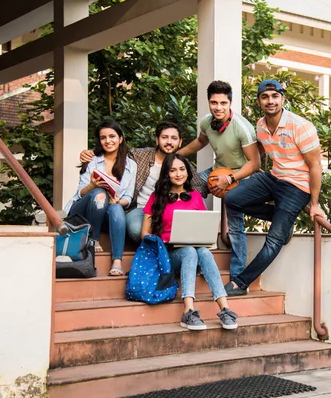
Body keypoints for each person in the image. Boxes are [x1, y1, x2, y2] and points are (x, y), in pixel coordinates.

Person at [223, 80, 325, 296]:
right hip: (274, 177)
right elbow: (260, 148)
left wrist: (314, 205)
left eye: (274, 96)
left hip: (297, 186)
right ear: (259, 101)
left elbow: (315, 166)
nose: (270, 101)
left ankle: (241, 283)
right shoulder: (261, 125)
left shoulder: (301, 127)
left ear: (282, 99)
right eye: (265, 97)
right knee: (232, 199)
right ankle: (283, 221)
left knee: (274, 240)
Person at [141, 153, 238, 330]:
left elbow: (203, 226)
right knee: (189, 251)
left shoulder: (195, 197)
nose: (178, 174)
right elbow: (145, 234)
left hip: (195, 252)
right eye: (173, 170)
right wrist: (163, 240)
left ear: (187, 172)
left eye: (182, 169)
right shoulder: (156, 197)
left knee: (202, 251)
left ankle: (225, 308)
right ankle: (188, 311)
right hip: (168, 255)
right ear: (166, 174)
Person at [178, 80, 261, 280]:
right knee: (187, 192)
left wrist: (230, 178)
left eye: (223, 103)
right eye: (214, 103)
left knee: (235, 225)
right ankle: (189, 254)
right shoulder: (207, 122)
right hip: (217, 171)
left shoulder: (243, 128)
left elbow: (254, 163)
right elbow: (200, 142)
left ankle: (238, 277)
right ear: (209, 102)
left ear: (230, 103)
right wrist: (175, 156)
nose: (218, 107)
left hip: (241, 176)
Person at [80, 121, 208, 242]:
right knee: (136, 230)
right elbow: (115, 151)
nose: (169, 142)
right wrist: (91, 153)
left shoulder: (181, 163)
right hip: (141, 209)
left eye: (174, 138)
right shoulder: (139, 156)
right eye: (164, 137)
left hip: (170, 208)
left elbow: (199, 187)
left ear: (180, 142)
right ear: (157, 140)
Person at [64, 120, 137, 276]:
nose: (108, 141)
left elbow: (128, 197)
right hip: (83, 211)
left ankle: (117, 260)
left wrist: (118, 201)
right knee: (99, 193)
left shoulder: (131, 165)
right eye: (103, 138)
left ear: (121, 139)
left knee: (117, 208)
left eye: (112, 136)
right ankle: (94, 238)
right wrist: (92, 185)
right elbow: (80, 194)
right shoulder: (92, 160)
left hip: (107, 213)